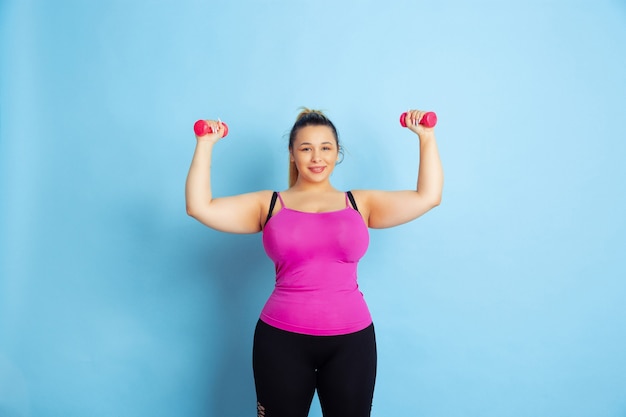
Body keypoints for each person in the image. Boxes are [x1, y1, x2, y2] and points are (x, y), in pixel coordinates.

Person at [185, 108, 443, 417]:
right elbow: (199, 207)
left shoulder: (360, 203)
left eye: (326, 148)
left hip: (351, 343)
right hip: (281, 341)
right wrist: (205, 143)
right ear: (292, 155)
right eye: (306, 148)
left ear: (337, 154)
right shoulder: (268, 205)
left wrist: (426, 137)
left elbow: (429, 196)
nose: (316, 157)